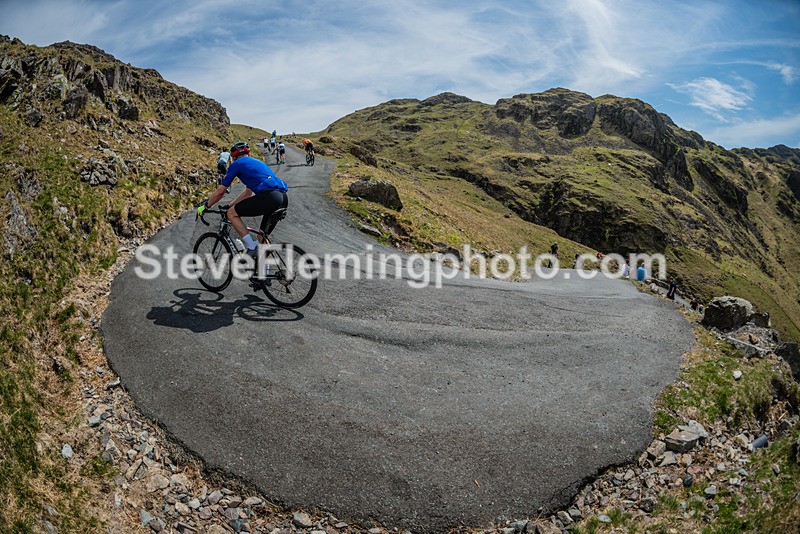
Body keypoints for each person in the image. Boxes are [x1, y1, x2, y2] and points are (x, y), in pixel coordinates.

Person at [197, 141, 288, 283]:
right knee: (262, 238)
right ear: (247, 153)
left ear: (233, 156)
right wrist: (230, 205)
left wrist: (206, 206)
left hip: (269, 197)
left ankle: (251, 248)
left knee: (231, 214)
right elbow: (248, 192)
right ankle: (264, 276)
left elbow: (221, 190)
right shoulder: (255, 162)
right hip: (282, 198)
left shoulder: (237, 164)